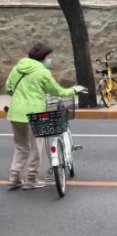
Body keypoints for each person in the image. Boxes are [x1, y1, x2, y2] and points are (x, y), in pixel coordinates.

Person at [5, 43, 86, 190]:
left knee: (21, 146)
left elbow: (9, 88)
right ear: (43, 57)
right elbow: (57, 91)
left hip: (15, 113)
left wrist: (20, 98)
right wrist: (74, 90)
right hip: (35, 113)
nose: (50, 59)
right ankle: (31, 178)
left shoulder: (17, 68)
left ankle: (15, 176)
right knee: (36, 147)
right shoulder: (42, 72)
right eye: (49, 57)